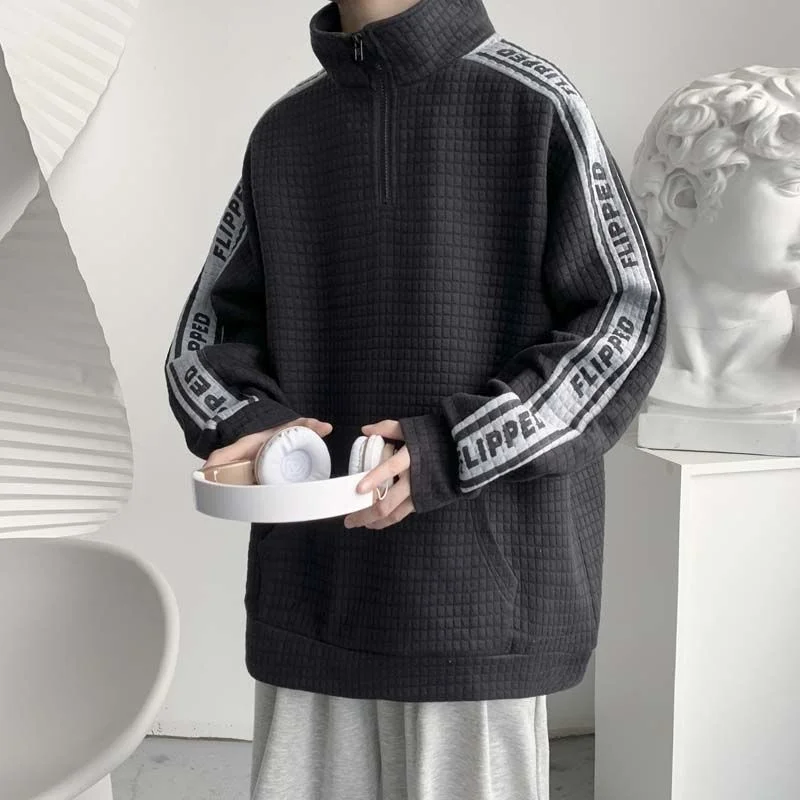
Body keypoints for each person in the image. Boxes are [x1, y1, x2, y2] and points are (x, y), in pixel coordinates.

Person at [163, 0, 667, 797]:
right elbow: (205, 338)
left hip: (480, 601)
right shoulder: (286, 131)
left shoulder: (533, 102)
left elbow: (625, 322)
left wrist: (454, 447)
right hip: (316, 588)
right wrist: (255, 428)